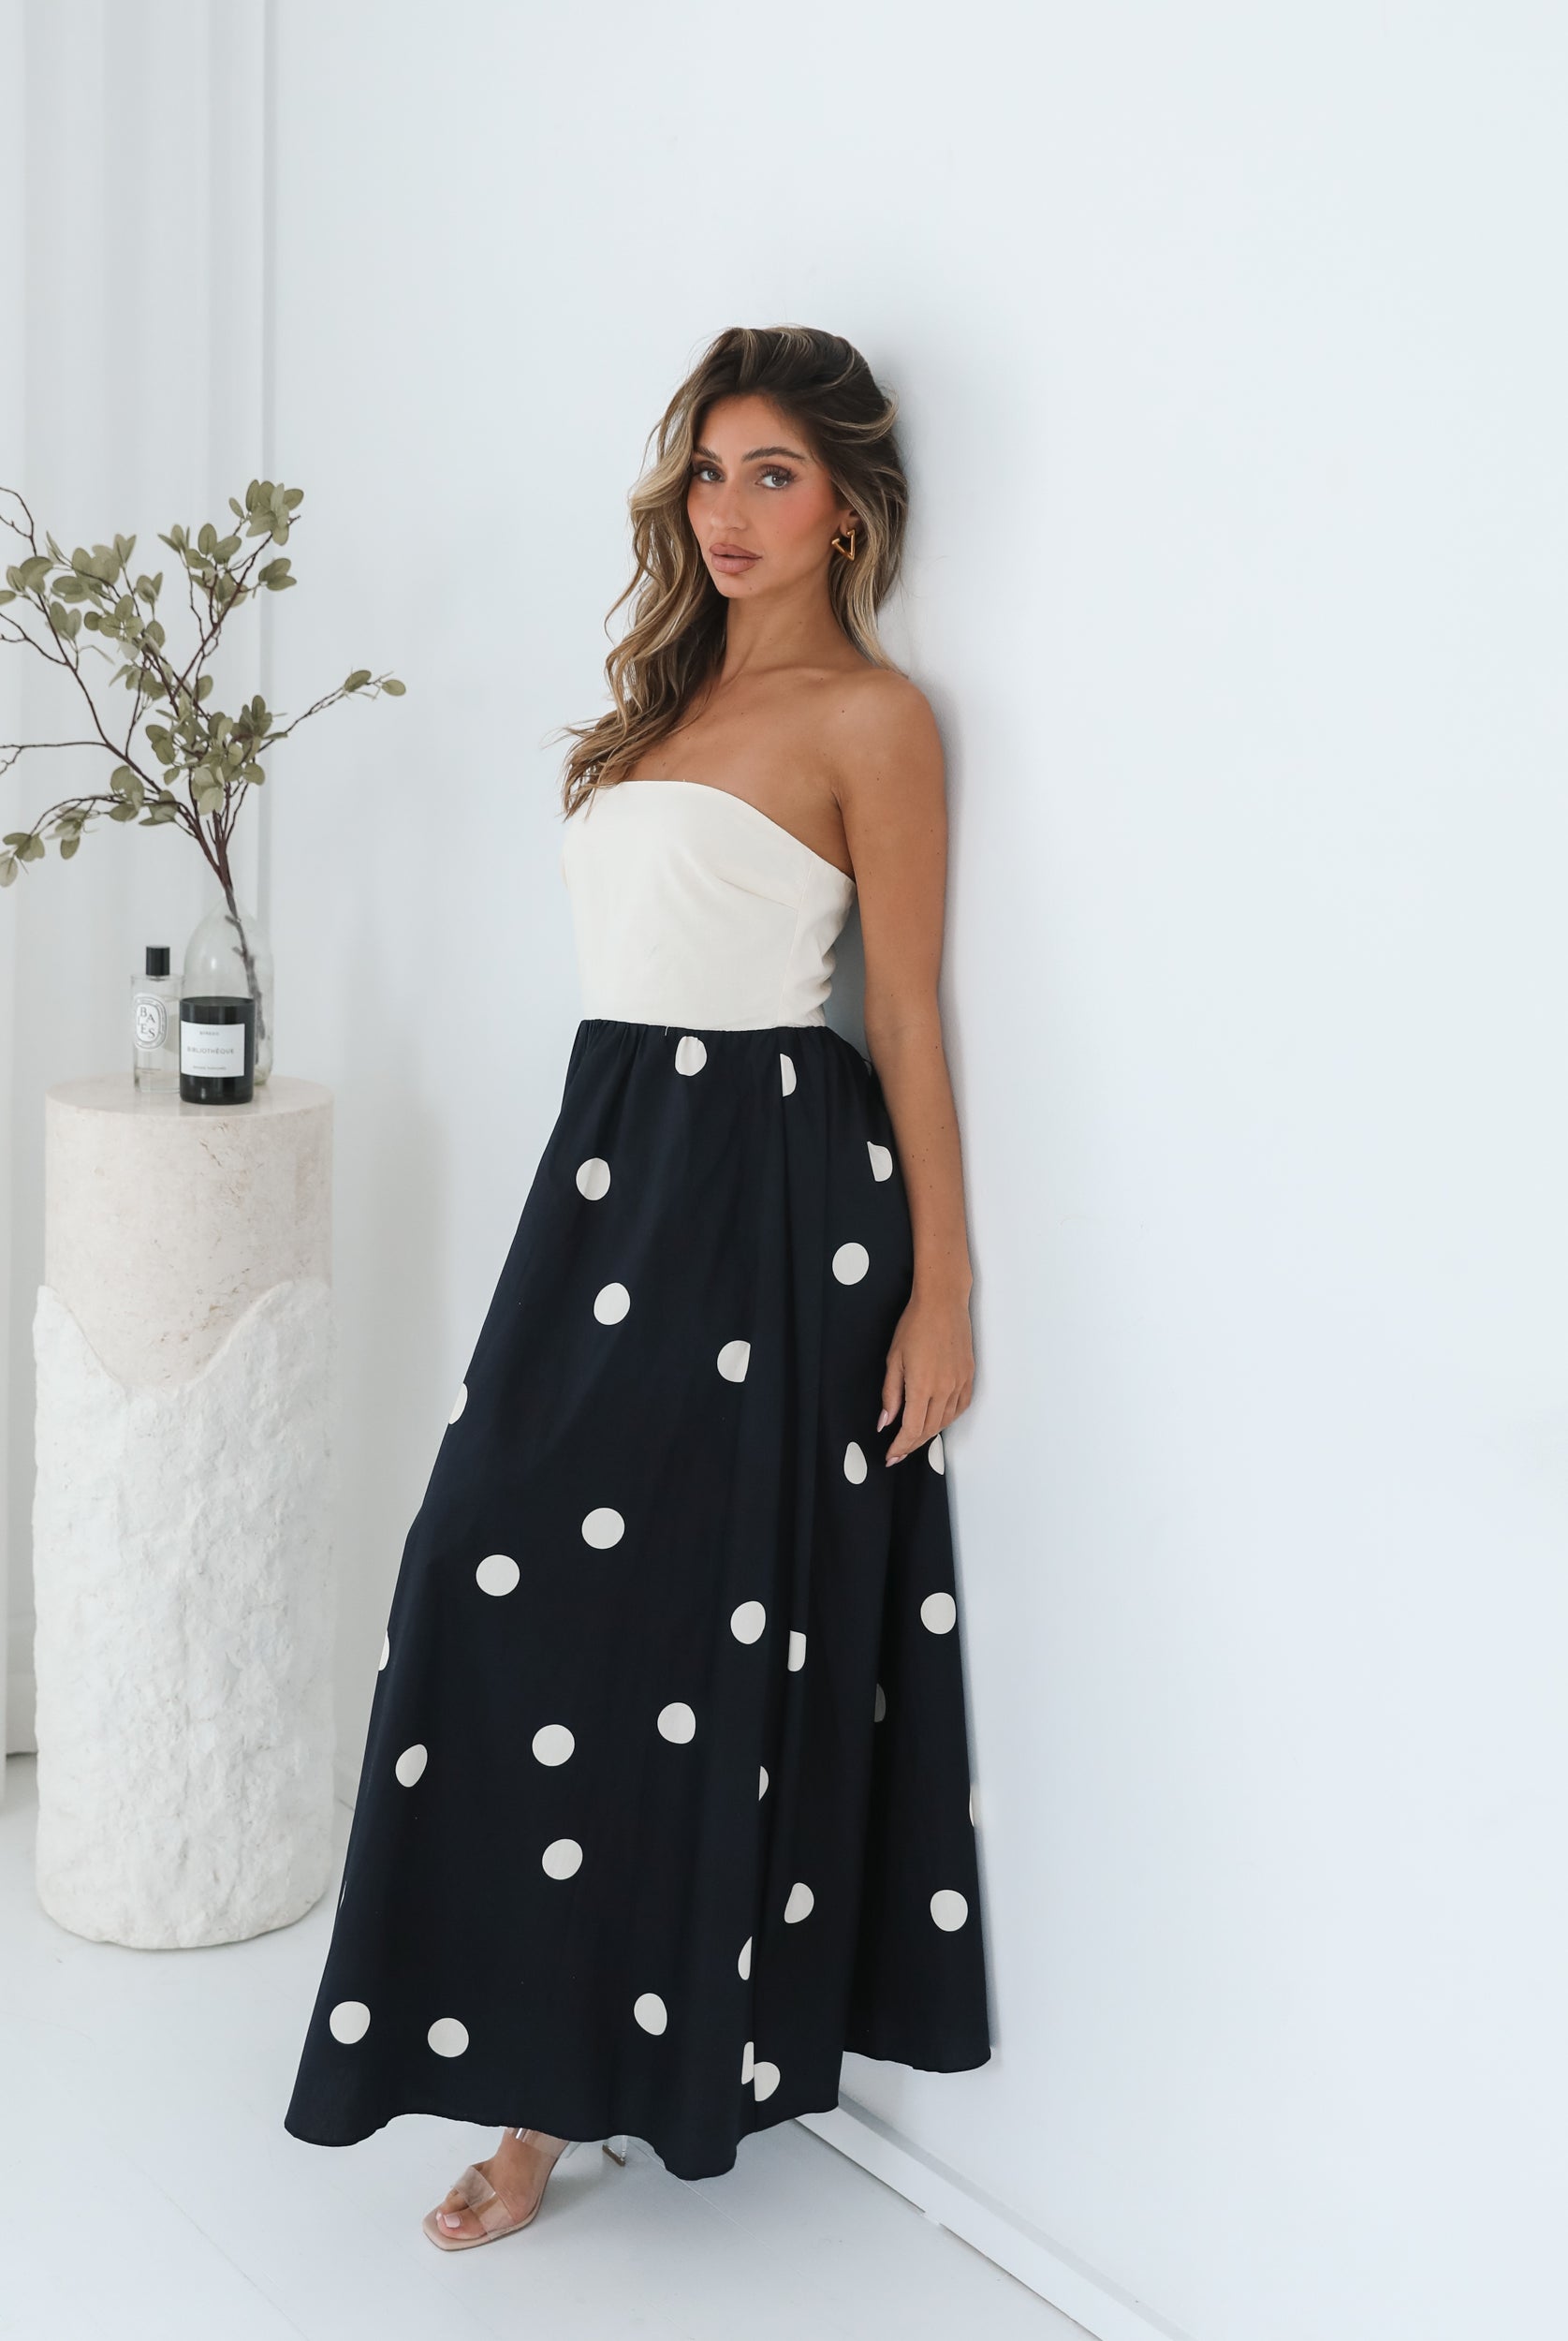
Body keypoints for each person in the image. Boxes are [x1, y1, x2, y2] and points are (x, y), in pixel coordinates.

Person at [284, 323, 990, 2248]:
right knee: (483, 1573)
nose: (728, 508)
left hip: (768, 1199)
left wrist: (941, 1288)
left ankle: (584, 2093)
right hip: (608, 1171)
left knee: (683, 1633)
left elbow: (904, 1016)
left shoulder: (873, 718)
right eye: (709, 469)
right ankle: (539, 2076)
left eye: (773, 472)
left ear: (848, 505)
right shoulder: (659, 701)